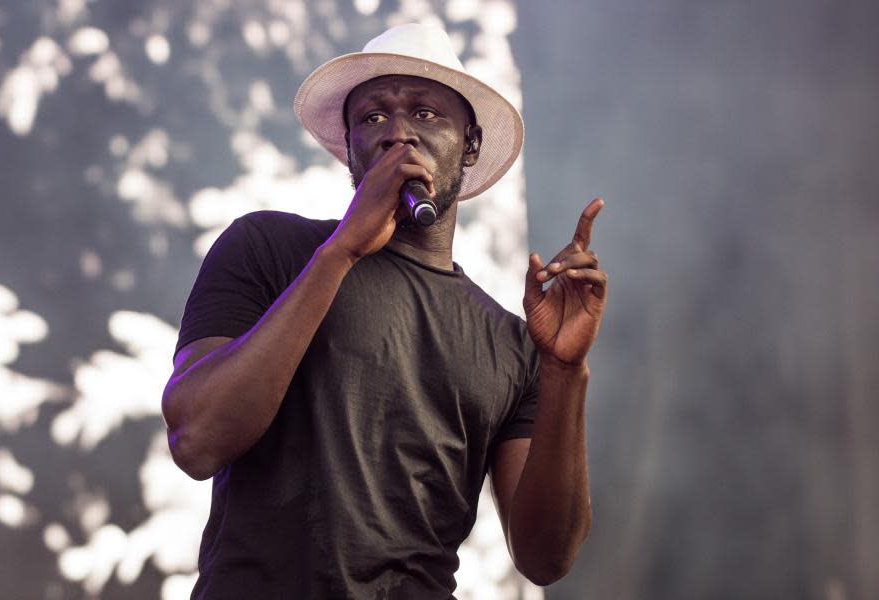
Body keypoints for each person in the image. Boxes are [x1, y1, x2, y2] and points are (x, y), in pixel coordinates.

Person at [162, 23, 607, 599]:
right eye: (372, 118)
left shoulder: (513, 345)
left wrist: (567, 374)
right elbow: (197, 439)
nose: (398, 133)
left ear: (470, 144)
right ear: (349, 147)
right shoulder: (268, 248)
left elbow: (547, 558)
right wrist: (342, 250)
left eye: (426, 114)